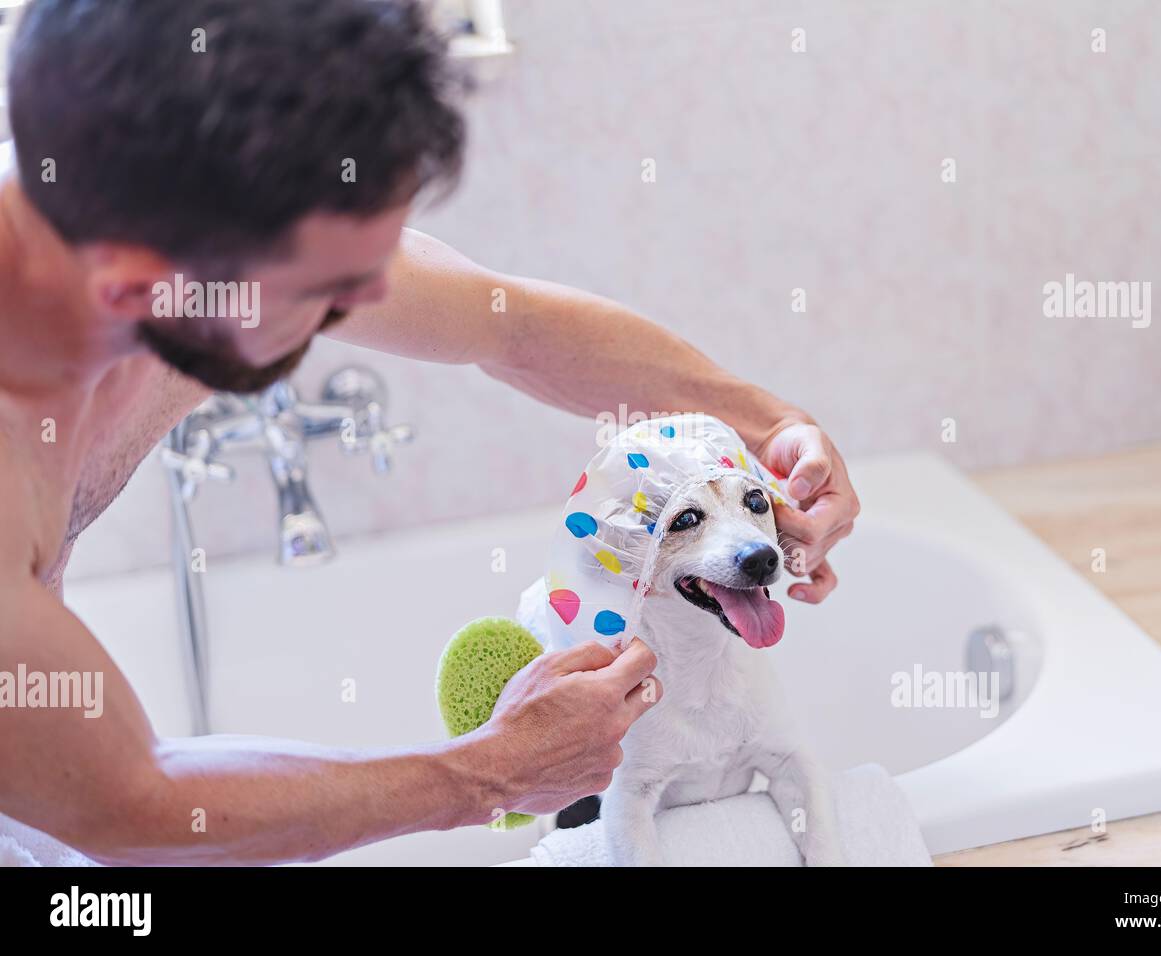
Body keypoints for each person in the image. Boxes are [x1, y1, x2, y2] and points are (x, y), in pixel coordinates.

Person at [0, 0, 858, 864]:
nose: (366, 308)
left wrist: (774, 424)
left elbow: (511, 325)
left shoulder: (156, 237)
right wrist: (484, 776)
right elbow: (126, 801)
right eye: (332, 292)